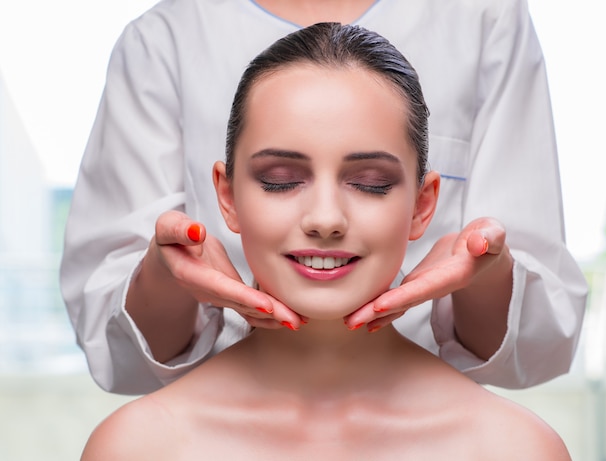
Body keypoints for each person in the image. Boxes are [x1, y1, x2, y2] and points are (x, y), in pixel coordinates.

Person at [80, 23, 572, 460]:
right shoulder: (136, 447)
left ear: (423, 206)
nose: (325, 219)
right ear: (226, 197)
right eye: (279, 178)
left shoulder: (516, 448)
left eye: (372, 182)